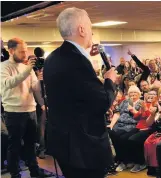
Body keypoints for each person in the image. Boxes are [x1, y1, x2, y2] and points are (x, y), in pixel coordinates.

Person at [43, 7, 117, 178]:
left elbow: (74, 97)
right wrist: (109, 80)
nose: (92, 31)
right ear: (82, 29)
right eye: (90, 26)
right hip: (83, 146)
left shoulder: (52, 58)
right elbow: (102, 102)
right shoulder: (77, 61)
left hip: (62, 140)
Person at [1, 38, 50, 178]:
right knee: (14, 146)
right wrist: (27, 70)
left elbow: (34, 88)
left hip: (31, 110)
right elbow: (8, 84)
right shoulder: (4, 67)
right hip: (14, 112)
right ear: (11, 51)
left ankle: (34, 171)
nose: (25, 54)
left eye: (26, 51)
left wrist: (42, 102)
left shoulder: (27, 68)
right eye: (21, 51)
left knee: (30, 144)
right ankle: (15, 174)